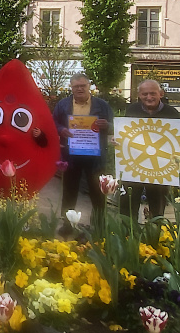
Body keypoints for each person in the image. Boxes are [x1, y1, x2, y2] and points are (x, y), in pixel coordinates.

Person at [52, 73, 113, 236]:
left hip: (95, 155)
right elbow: (54, 122)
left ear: (89, 86)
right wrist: (61, 130)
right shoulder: (63, 105)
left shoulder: (102, 105)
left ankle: (99, 226)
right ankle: (67, 224)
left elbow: (114, 126)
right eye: (76, 86)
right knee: (69, 191)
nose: (79, 89)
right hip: (71, 154)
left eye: (82, 86)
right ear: (71, 87)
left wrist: (107, 125)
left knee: (98, 192)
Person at [121, 79, 180, 220]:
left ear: (161, 93)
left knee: (157, 206)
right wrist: (118, 140)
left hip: (160, 168)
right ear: (139, 95)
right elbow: (127, 134)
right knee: (128, 205)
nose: (149, 97)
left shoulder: (171, 113)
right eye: (145, 94)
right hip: (134, 165)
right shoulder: (132, 110)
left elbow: (179, 139)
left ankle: (154, 238)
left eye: (153, 93)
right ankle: (127, 237)